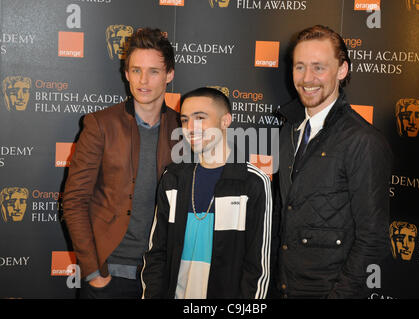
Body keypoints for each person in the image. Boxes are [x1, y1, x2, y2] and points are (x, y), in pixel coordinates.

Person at [273, 25, 392, 298]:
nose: (307, 78)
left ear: (342, 71)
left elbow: (373, 240)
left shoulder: (363, 141)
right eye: (299, 67)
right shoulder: (289, 130)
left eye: (319, 67)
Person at [63, 27, 179, 299]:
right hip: (109, 275)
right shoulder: (100, 125)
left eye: (154, 71)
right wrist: (93, 273)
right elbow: (75, 199)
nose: (143, 80)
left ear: (169, 75)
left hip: (161, 276)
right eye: (136, 70)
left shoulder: (183, 128)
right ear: (126, 74)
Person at [141, 87, 272, 299]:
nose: (191, 128)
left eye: (200, 118)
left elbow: (258, 267)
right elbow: (157, 254)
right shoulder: (172, 178)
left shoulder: (253, 182)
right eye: (184, 120)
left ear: (225, 121)